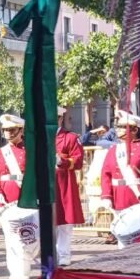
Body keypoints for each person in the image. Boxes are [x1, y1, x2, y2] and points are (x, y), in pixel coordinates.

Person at [0, 114, 31, 279]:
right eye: (5, 130)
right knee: (11, 237)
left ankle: (24, 269)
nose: (8, 133)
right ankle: (14, 269)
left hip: (25, 197)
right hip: (6, 198)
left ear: (21, 130)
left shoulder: (29, 150)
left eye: (11, 130)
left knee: (27, 236)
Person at [100, 110, 140, 213]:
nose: (118, 130)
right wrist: (106, 196)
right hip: (119, 196)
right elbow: (106, 175)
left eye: (122, 127)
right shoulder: (114, 149)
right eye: (118, 127)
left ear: (134, 130)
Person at [55, 107, 85, 266]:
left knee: (65, 222)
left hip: (64, 184)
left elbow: (78, 161)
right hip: (47, 184)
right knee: (47, 220)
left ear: (60, 119)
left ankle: (64, 254)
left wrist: (63, 162)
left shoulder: (71, 138)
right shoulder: (39, 138)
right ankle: (50, 253)